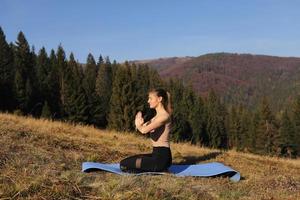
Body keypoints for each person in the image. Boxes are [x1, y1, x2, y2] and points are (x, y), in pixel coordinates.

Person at [120, 88, 172, 173]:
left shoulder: (164, 117)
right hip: (155, 154)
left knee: (124, 165)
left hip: (162, 158)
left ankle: (160, 168)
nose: (148, 101)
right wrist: (139, 123)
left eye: (151, 98)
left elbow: (144, 130)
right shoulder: (155, 118)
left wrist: (138, 125)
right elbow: (142, 127)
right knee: (128, 161)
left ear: (160, 99)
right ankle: (158, 169)